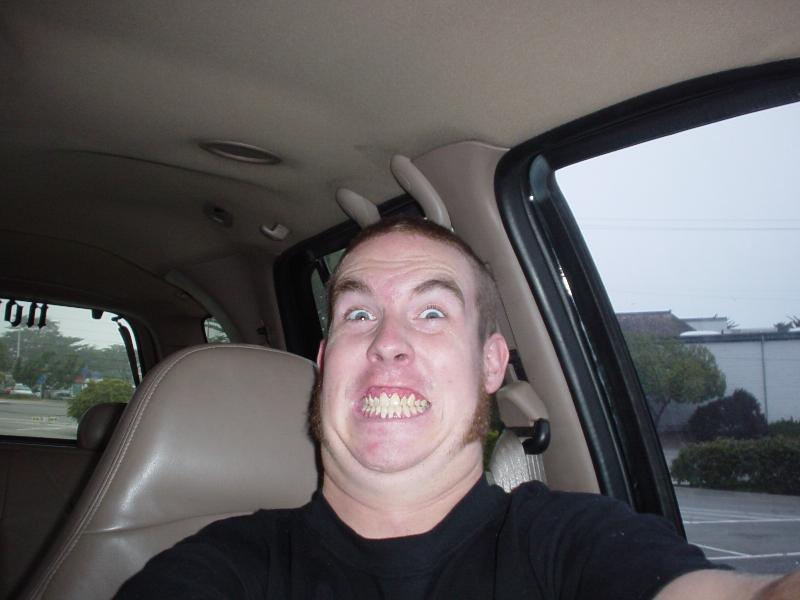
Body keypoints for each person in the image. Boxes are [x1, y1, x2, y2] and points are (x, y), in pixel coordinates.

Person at [117, 216, 798, 599]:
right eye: (359, 315)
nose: (387, 343)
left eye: (432, 313)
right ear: (325, 366)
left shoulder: (575, 544)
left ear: (491, 364)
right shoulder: (223, 567)